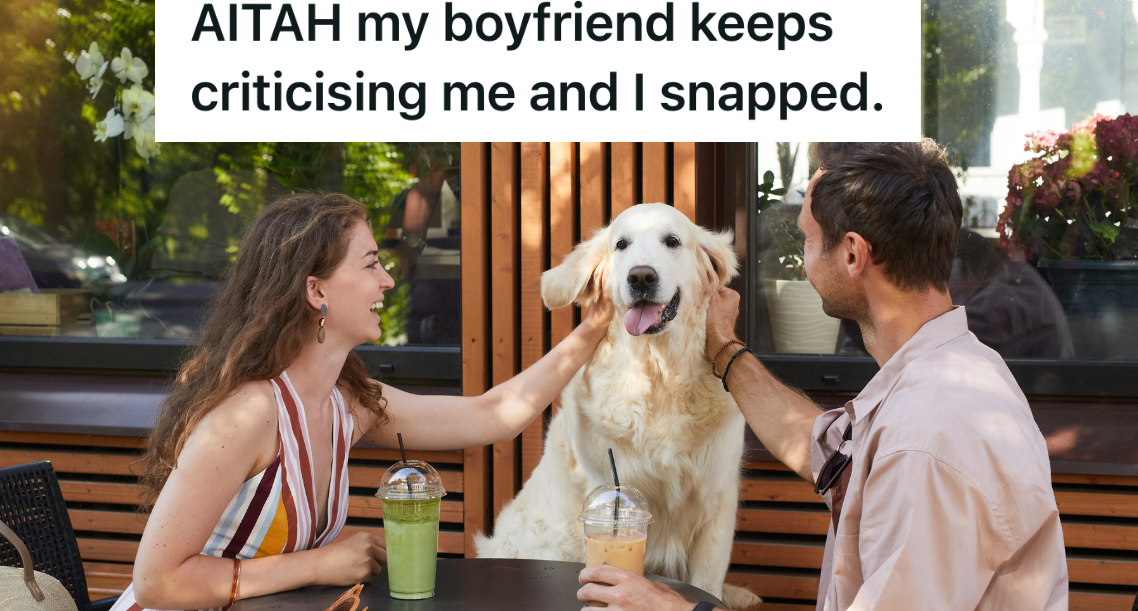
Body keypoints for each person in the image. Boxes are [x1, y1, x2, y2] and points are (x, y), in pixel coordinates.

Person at [578, 141, 1068, 611]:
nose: (801, 260)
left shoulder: (927, 440)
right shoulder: (954, 370)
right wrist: (724, 351)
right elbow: (830, 454)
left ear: (852, 254)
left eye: (807, 240)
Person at [112, 192, 612, 611]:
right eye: (371, 264)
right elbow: (158, 581)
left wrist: (594, 329)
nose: (388, 281)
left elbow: (491, 415)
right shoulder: (248, 415)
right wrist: (316, 563)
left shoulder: (347, 402)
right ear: (315, 290)